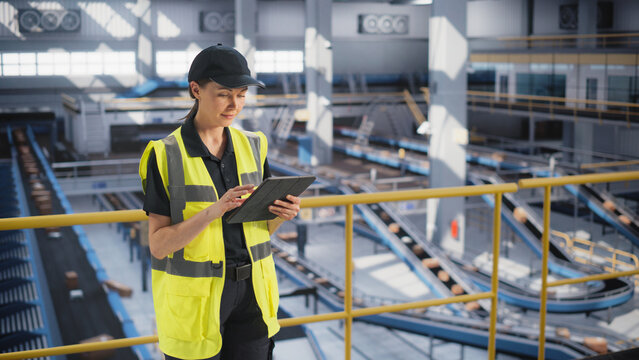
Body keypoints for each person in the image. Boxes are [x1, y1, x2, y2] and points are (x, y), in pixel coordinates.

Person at [139, 44, 300, 360]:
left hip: (253, 291)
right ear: (196, 90)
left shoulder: (254, 145)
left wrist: (282, 214)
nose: (235, 104)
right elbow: (159, 246)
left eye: (241, 95)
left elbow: (260, 231)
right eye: (224, 94)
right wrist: (214, 210)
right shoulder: (164, 154)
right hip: (197, 299)